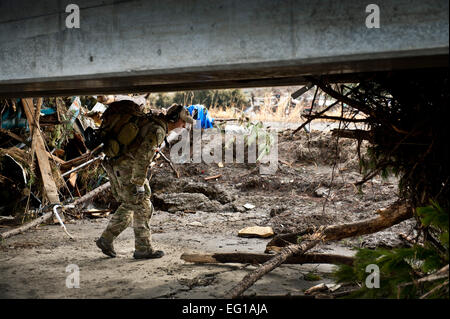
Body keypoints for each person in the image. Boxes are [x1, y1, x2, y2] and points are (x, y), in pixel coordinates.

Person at [96, 102, 193, 259]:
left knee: (130, 203)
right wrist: (139, 182)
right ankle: (143, 248)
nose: (183, 125)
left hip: (116, 164)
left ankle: (106, 240)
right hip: (127, 166)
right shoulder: (158, 130)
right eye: (183, 121)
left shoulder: (153, 122)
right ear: (175, 119)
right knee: (143, 205)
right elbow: (143, 157)